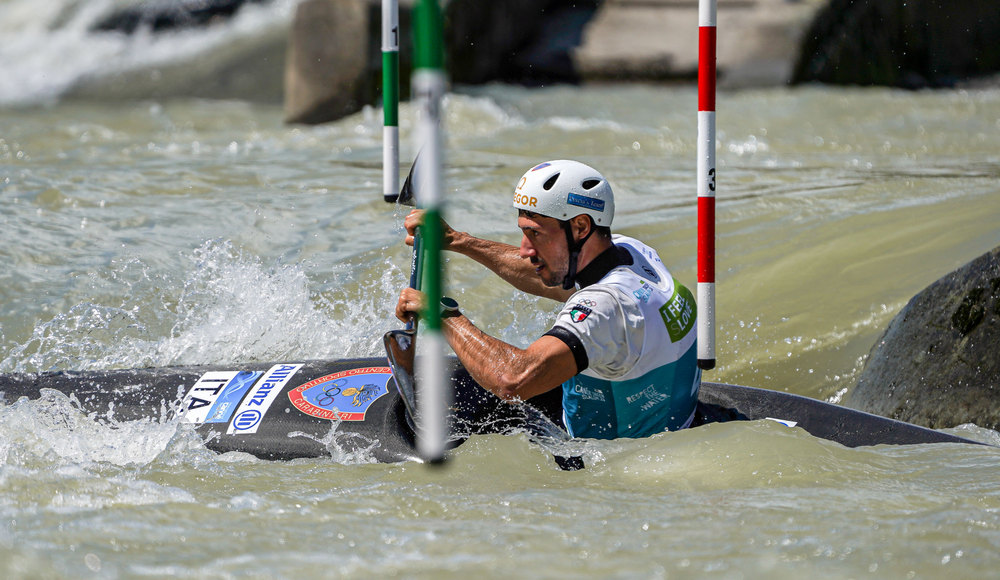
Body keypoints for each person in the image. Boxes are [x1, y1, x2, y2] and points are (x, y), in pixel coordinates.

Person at [395, 160, 700, 439]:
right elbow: (541, 276)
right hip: (663, 414)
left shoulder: (606, 308)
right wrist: (457, 241)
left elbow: (512, 380)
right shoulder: (631, 253)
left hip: (596, 458)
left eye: (536, 234)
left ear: (580, 226)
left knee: (465, 386)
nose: (526, 250)